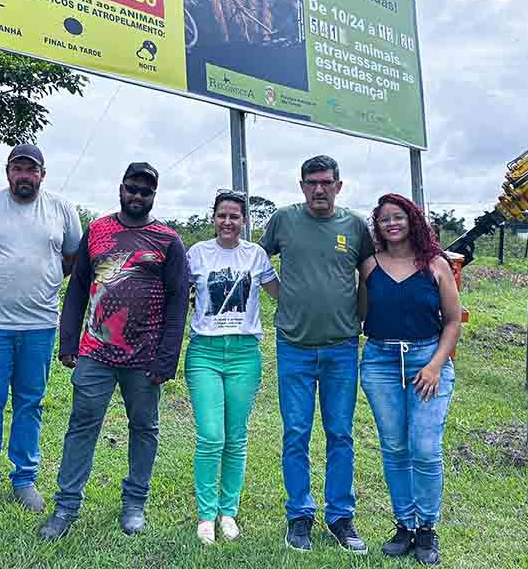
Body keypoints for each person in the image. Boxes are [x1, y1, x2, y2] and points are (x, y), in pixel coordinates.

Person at [38, 162, 188, 540]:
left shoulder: (167, 241)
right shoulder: (98, 231)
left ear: (154, 196)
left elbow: (177, 302)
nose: (137, 196)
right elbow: (77, 290)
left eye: (145, 191)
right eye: (132, 189)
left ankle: (135, 503)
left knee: (144, 428)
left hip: (144, 357)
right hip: (95, 353)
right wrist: (68, 340)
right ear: (120, 188)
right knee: (81, 427)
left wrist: (167, 358)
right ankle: (66, 506)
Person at [260, 155, 374, 554]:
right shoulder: (283, 221)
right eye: (311, 183)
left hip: (342, 347)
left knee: (340, 434)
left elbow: (372, 273)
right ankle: (300, 516)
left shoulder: (356, 226)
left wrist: (364, 318)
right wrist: (280, 294)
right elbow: (257, 259)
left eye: (326, 182)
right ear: (301, 185)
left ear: (339, 186)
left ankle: (340, 516)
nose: (319, 190)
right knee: (296, 433)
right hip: (294, 346)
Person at [0, 144, 82, 513]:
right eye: (18, 169)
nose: (24, 176)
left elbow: (73, 258)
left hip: (40, 325)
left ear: (42, 175)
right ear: (8, 172)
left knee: (30, 403)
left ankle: (24, 478)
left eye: (32, 170)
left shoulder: (62, 210)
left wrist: (44, 281)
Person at [359, 194, 461, 566]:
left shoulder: (435, 265)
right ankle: (404, 525)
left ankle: (427, 529)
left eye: (398, 216)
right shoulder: (369, 265)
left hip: (425, 360)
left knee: (425, 446)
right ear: (378, 227)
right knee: (394, 447)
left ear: (412, 219)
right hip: (380, 361)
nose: (391, 223)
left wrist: (435, 365)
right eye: (384, 219)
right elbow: (360, 314)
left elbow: (452, 321)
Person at [185, 190, 279, 545]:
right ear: (213, 218)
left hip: (244, 353)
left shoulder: (256, 255)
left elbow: (281, 294)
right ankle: (206, 514)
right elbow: (177, 294)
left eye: (235, 216)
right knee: (211, 435)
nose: (228, 222)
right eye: (222, 215)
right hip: (204, 353)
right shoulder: (197, 254)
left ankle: (229, 511)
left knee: (236, 437)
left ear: (244, 221)